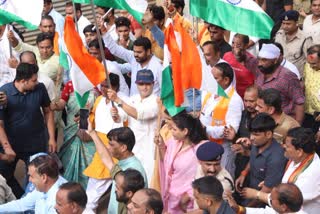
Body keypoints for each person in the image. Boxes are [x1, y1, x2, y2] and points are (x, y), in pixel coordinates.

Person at [0, 63, 56, 198]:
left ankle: (30, 203)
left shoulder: (40, 88)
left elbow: (48, 112)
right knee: (4, 176)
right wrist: (6, 147)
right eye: (33, 80)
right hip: (11, 146)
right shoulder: (4, 93)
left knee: (38, 179)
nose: (36, 83)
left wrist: (52, 137)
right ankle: (20, 198)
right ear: (23, 81)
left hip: (35, 144)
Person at [82, 74, 128, 213]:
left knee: (94, 194)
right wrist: (83, 117)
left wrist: (117, 116)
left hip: (114, 148)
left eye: (106, 86)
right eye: (101, 85)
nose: (102, 89)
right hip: (99, 147)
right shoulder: (99, 100)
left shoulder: (122, 101)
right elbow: (91, 119)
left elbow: (122, 119)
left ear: (115, 87)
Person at [107, 69, 159, 184]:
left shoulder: (156, 101)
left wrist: (118, 100)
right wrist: (115, 115)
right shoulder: (133, 99)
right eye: (141, 84)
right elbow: (122, 117)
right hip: (132, 149)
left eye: (147, 84)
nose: (144, 87)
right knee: (128, 182)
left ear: (153, 84)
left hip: (149, 150)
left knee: (147, 182)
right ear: (136, 84)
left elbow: (138, 114)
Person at [85, 125, 147, 214]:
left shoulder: (134, 170)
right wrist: (92, 133)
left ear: (123, 148)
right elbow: (105, 158)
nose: (108, 147)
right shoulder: (122, 163)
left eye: (111, 144)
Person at [157, 113, 208, 213]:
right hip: (171, 196)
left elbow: (206, 175)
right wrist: (161, 146)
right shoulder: (173, 142)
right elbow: (166, 163)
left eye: (174, 129)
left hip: (189, 200)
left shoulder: (201, 148)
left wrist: (189, 194)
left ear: (185, 131)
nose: (171, 132)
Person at [50, 78, 96, 187]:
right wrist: (55, 106)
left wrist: (87, 113)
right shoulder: (70, 84)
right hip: (71, 127)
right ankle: (69, 187)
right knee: (69, 156)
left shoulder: (95, 84)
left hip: (88, 125)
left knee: (88, 158)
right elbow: (62, 103)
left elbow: (99, 105)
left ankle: (87, 187)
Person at [200, 62, 243, 177]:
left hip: (223, 150)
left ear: (226, 80)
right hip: (206, 144)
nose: (212, 81)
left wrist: (205, 129)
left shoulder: (234, 100)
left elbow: (230, 130)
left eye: (215, 78)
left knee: (222, 180)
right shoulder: (210, 93)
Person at [235, 113, 287, 207]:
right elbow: (253, 158)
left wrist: (246, 209)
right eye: (251, 133)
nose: (251, 138)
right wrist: (244, 173)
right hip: (250, 193)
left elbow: (267, 190)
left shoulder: (276, 158)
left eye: (256, 134)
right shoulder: (257, 144)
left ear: (268, 134)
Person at [102, 26, 163, 96]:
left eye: (139, 52)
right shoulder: (133, 58)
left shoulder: (158, 66)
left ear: (148, 51)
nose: (136, 55)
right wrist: (104, 32)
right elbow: (115, 49)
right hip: (133, 103)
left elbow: (164, 91)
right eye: (134, 51)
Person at [255, 43, 305, 124]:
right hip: (263, 122)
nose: (260, 63)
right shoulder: (260, 71)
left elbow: (299, 102)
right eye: (259, 59)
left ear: (275, 60)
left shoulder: (288, 76)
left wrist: (296, 127)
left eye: (264, 60)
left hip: (283, 124)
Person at [0, 155, 67, 213]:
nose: (29, 180)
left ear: (44, 177)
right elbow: (22, 204)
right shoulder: (44, 187)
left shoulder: (59, 201)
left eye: (31, 176)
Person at [281, 127, 320, 213]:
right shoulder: (296, 157)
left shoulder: (312, 172)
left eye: (287, 146)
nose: (283, 146)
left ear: (299, 152)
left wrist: (258, 195)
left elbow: (288, 200)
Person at [275, 10, 313, 75]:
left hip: (296, 77)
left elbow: (310, 60)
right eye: (283, 23)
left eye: (288, 24)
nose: (285, 26)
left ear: (296, 23)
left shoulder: (305, 39)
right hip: (279, 76)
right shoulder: (279, 35)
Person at [227, 183, 305, 214]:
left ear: (283, 207)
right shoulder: (284, 210)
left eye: (271, 199)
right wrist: (238, 209)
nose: (269, 199)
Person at [223, 34, 257, 98]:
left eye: (238, 45)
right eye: (233, 43)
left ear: (246, 46)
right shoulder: (226, 56)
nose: (234, 46)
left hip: (244, 99)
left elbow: (256, 83)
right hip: (228, 96)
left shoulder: (252, 61)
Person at [302, 45, 320, 145]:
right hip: (308, 113)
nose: (311, 66)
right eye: (309, 63)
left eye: (314, 64)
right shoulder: (307, 66)